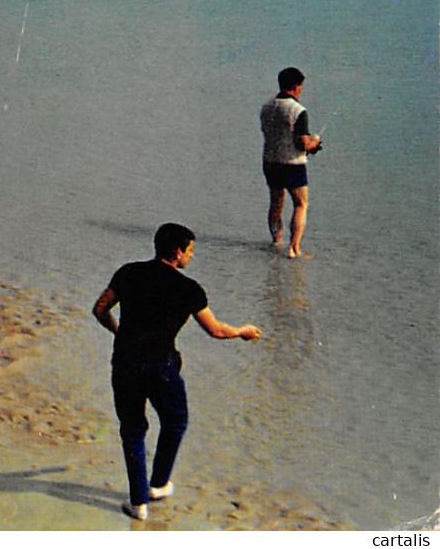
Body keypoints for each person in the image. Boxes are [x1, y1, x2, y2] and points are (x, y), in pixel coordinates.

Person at [92, 222, 262, 521]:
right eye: (190, 250)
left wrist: (119, 332)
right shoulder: (189, 289)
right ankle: (158, 484)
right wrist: (243, 331)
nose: (192, 257)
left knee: (132, 430)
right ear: (177, 251)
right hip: (162, 367)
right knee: (176, 420)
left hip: (125, 363)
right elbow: (217, 331)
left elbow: (100, 309)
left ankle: (138, 504)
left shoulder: (128, 272)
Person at [259, 67, 323, 258]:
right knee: (300, 204)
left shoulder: (266, 106)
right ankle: (294, 248)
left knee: (276, 202)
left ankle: (276, 241)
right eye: (301, 86)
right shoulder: (298, 110)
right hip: (293, 163)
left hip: (270, 161)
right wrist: (315, 144)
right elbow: (302, 143)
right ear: (296, 86)